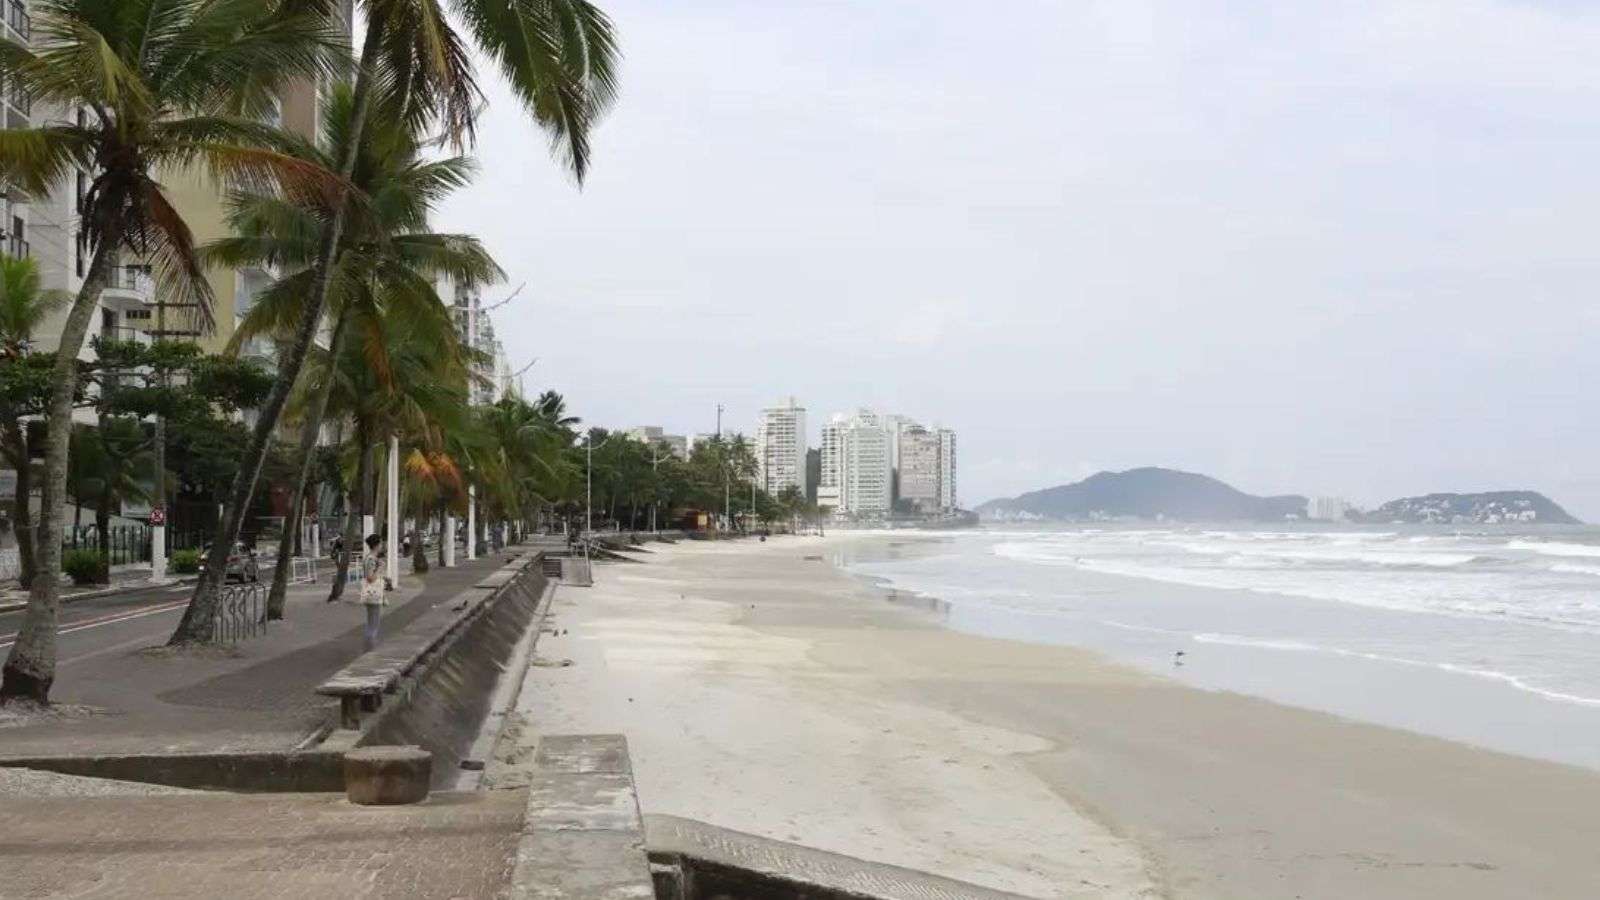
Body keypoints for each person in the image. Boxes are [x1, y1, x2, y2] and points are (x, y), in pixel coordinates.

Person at [360, 533, 385, 650]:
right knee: (373, 623)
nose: (382, 545)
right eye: (380, 543)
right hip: (373, 593)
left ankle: (370, 645)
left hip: (371, 593)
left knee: (372, 621)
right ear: (376, 545)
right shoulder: (371, 559)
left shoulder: (370, 558)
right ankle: (370, 648)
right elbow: (370, 577)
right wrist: (380, 568)